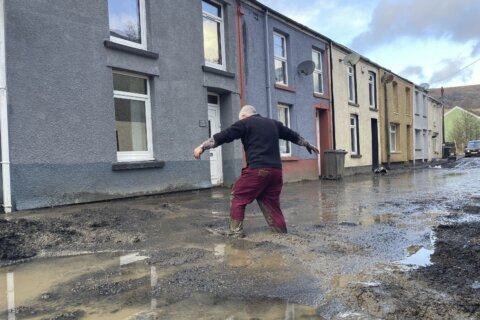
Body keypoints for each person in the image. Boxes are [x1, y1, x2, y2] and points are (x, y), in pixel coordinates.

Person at [194, 105, 319, 237]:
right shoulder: (274, 124)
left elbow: (223, 136)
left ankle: (235, 233)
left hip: (258, 170)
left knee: (238, 196)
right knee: (271, 204)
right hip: (276, 173)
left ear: (244, 116)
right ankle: (281, 233)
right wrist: (307, 144)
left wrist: (202, 147)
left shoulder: (245, 123)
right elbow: (292, 135)